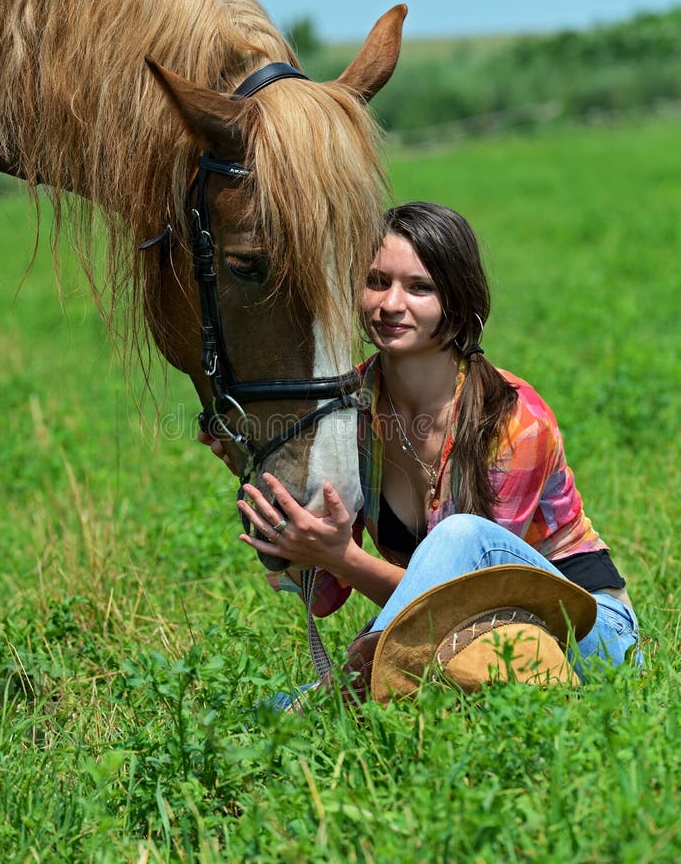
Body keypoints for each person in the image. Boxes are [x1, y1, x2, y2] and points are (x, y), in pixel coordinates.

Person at [203, 201, 641, 692]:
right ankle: (342, 692)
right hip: (472, 636)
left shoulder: (516, 420)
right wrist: (257, 474)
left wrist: (345, 561)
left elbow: (477, 598)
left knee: (459, 537)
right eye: (376, 281)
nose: (391, 303)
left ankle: (336, 692)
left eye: (419, 287)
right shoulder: (348, 412)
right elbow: (323, 596)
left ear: (455, 301)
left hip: (586, 634)